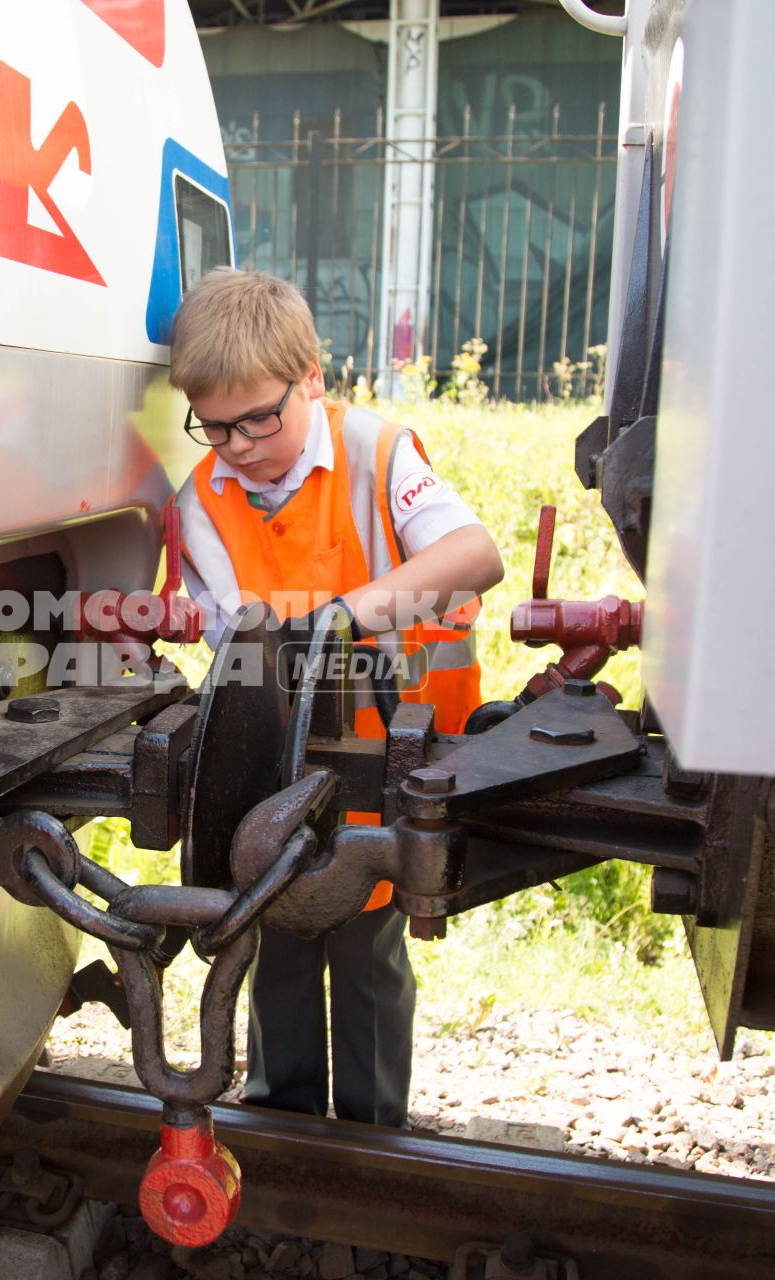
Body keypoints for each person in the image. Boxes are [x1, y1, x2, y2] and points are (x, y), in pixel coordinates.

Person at [169, 268, 504, 1128]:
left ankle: (372, 1133)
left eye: (259, 419)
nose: (238, 445)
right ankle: (281, 1133)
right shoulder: (201, 504)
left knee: (368, 959)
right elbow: (228, 653)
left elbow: (473, 555)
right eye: (215, 427)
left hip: (391, 773)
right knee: (276, 948)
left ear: (312, 377)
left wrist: (341, 620)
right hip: (279, 782)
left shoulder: (380, 457)